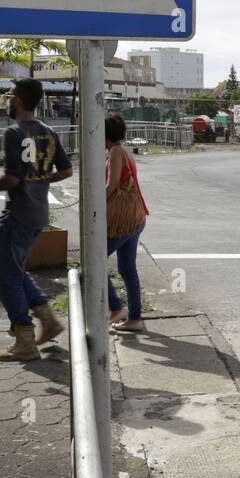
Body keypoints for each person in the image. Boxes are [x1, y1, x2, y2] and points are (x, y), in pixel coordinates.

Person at [0, 78, 72, 360]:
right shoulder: (49, 132)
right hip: (38, 214)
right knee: (16, 270)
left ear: (20, 100)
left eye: (9, 96)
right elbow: (66, 171)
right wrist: (39, 180)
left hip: (18, 214)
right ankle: (48, 321)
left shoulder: (14, 133)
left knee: (3, 280)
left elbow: (12, 178)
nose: (7, 101)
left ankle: (25, 339)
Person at [104, 114, 148, 332]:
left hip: (124, 221)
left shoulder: (114, 152)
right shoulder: (124, 150)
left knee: (93, 262)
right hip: (136, 218)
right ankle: (135, 318)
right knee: (127, 269)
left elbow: (112, 186)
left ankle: (115, 307)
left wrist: (93, 203)